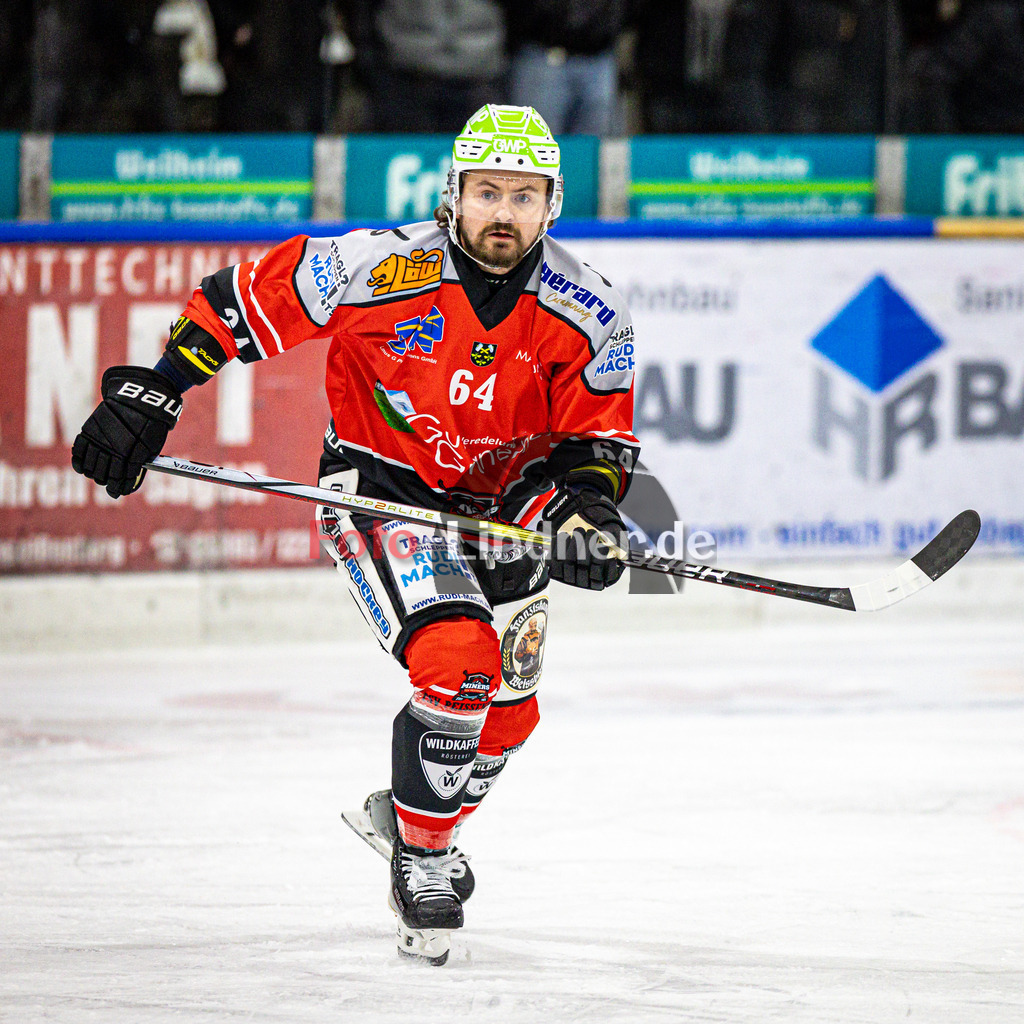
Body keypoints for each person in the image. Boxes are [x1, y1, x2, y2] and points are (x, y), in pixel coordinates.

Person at [70, 104, 640, 965]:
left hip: (502, 507)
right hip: (384, 492)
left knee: (509, 721)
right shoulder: (380, 265)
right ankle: (426, 855)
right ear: (452, 194)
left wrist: (588, 512)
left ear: (551, 205)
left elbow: (596, 439)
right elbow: (236, 302)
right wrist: (153, 391)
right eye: (487, 191)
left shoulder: (590, 306)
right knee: (459, 664)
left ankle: (412, 813)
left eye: (524, 197)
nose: (503, 213)